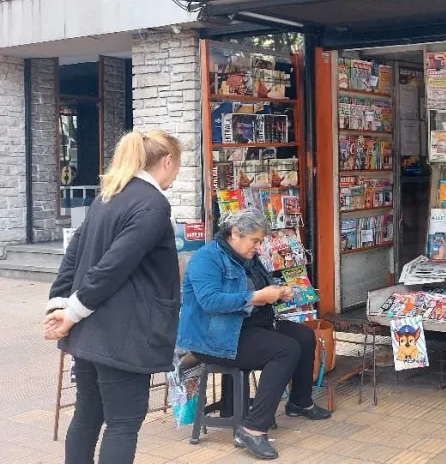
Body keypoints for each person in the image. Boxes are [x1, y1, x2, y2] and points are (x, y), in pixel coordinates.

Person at [43, 130, 183, 464]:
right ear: (167, 161)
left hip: (92, 330)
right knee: (123, 422)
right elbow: (113, 266)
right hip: (123, 333)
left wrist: (59, 303)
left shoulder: (108, 195)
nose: (176, 173)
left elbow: (73, 254)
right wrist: (70, 311)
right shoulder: (152, 204)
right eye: (178, 165)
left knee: (89, 413)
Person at [177, 209, 331, 460]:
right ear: (236, 233)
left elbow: (259, 288)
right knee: (285, 349)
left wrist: (279, 291)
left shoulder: (246, 257)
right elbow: (210, 301)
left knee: (304, 336)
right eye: (255, 241)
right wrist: (255, 298)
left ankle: (299, 402)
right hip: (214, 338)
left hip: (247, 326)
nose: (258, 247)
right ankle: (252, 428)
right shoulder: (207, 258)